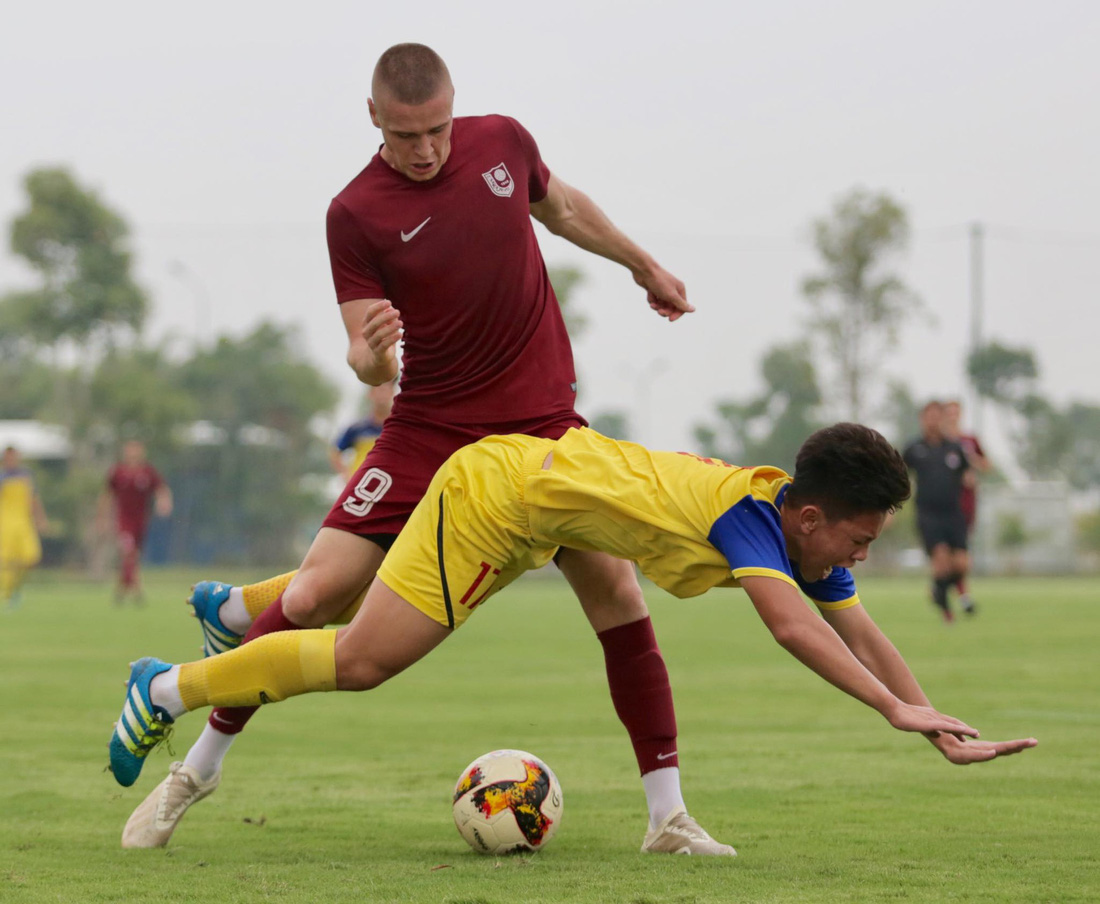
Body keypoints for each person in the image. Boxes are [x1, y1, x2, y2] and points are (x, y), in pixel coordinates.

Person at [122, 43, 720, 855]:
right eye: (407, 135)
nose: (427, 148)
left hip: (543, 428)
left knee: (618, 594)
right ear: (374, 118)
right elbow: (364, 357)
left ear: (454, 110)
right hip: (429, 431)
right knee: (314, 599)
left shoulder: (502, 141)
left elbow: (565, 207)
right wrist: (374, 353)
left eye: (436, 128)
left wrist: (643, 265)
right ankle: (196, 770)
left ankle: (668, 819)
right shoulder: (354, 213)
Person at [108, 423, 1038, 855]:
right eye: (861, 542)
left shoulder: (797, 530)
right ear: (808, 515)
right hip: (499, 498)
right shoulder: (758, 527)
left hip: (563, 505)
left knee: (625, 619)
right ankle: (168, 686)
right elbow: (795, 628)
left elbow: (856, 626)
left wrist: (927, 717)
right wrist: (891, 713)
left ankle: (667, 821)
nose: (863, 562)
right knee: (363, 660)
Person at [902, 402, 972, 622]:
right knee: (941, 559)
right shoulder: (914, 449)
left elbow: (967, 473)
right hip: (928, 513)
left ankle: (936, 590)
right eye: (928, 416)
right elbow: (900, 474)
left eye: (937, 416)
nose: (933, 421)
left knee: (961, 564)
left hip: (953, 512)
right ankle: (946, 610)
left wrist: (971, 480)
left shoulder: (954, 448)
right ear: (923, 419)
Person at [98, 439, 173, 604]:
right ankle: (138, 590)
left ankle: (121, 588)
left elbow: (161, 488)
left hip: (141, 521)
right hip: (124, 521)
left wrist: (164, 502)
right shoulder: (118, 472)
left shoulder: (147, 471)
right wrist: (102, 518)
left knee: (133, 556)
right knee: (128, 552)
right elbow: (106, 495)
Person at [942, 399, 991, 611]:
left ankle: (952, 591)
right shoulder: (939, 442)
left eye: (956, 412)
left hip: (966, 502)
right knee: (946, 554)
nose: (953, 416)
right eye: (949, 412)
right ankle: (959, 596)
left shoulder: (969, 440)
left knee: (961, 556)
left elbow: (987, 465)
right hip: (942, 504)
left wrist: (971, 462)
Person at [0, 446, 49, 608]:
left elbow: (34, 499)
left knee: (31, 556)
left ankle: (15, 587)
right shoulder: (2, 477)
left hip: (23, 522)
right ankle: (7, 595)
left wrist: (41, 518)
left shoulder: (26, 475)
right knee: (6, 560)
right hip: (5, 523)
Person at [328, 380, 396, 483]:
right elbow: (335, 452)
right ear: (370, 394)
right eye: (378, 391)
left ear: (392, 393)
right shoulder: (358, 428)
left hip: (391, 484)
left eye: (385, 391)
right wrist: (346, 474)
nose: (382, 395)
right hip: (360, 486)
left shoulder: (398, 428)